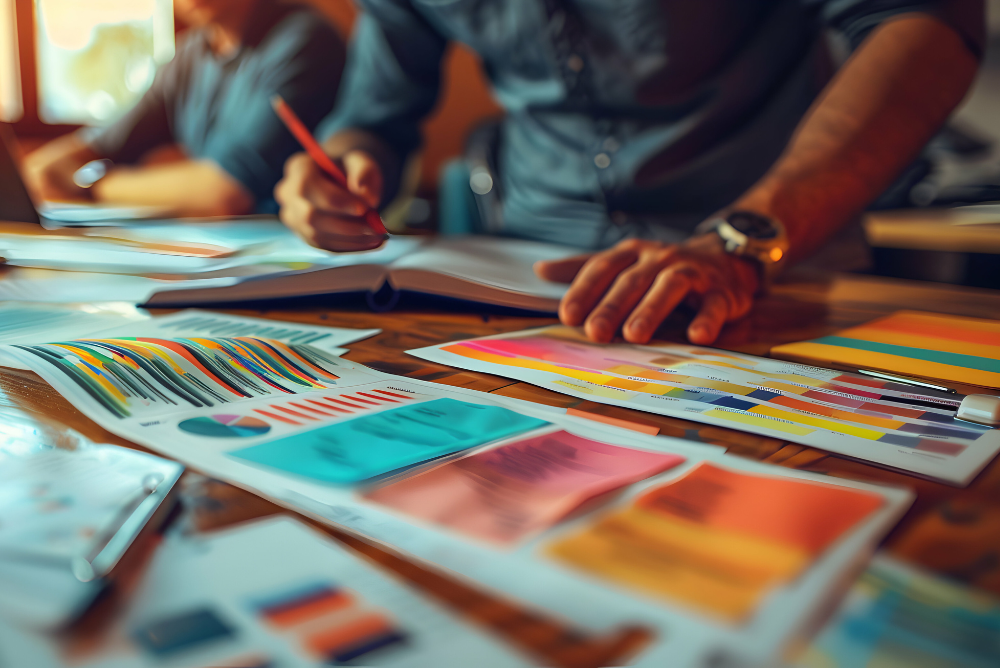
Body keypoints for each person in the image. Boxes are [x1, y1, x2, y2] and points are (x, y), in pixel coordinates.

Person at [274, 0, 983, 344]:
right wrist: (344, 164)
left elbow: (926, 26)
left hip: (775, 274)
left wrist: (742, 240)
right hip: (531, 296)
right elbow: (375, 112)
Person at [23, 0, 345, 217]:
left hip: (295, 264)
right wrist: (41, 174)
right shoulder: (189, 56)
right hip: (214, 257)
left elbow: (225, 191)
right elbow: (85, 149)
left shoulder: (304, 39)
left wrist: (91, 187)